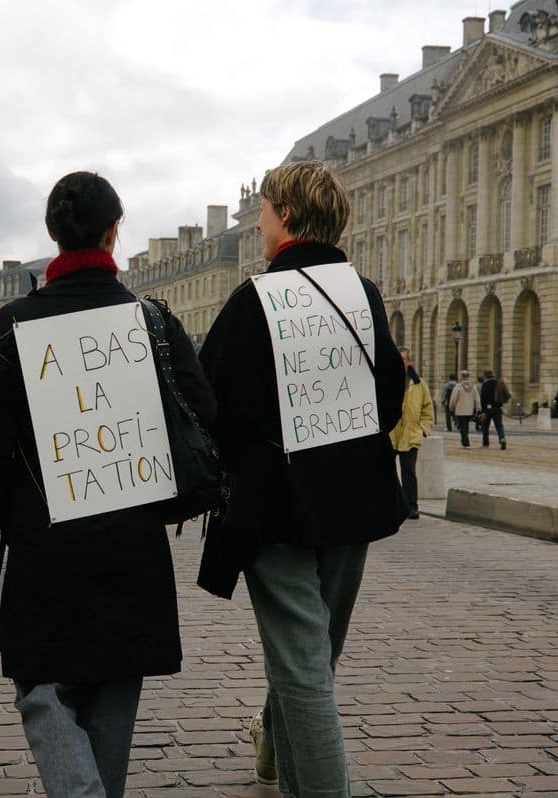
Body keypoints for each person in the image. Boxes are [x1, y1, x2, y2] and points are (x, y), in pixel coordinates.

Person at [0, 171, 216, 798]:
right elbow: (202, 417)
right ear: (113, 232)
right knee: (112, 694)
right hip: (132, 540)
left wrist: (10, 511)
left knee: (43, 691)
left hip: (44, 541)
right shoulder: (150, 320)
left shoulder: (15, 323)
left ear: (53, 236)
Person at [196, 160, 406, 797]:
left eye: (263, 210)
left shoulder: (254, 300)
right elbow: (390, 397)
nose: (257, 223)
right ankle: (272, 750)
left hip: (278, 506)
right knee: (314, 656)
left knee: (305, 666)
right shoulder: (363, 295)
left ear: (285, 217)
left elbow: (210, 406)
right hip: (355, 500)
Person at [392, 347, 433, 520]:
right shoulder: (387, 380)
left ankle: (411, 507)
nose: (401, 362)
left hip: (411, 434)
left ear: (409, 361)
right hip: (390, 435)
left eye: (403, 359)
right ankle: (391, 506)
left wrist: (422, 429)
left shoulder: (419, 384)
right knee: (388, 473)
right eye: (398, 359)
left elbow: (427, 409)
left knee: (409, 472)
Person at [448, 369, 481, 447]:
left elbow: (453, 399)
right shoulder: (473, 387)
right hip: (469, 410)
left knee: (462, 426)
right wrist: (478, 408)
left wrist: (452, 408)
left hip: (460, 410)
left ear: (461, 377)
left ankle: (465, 442)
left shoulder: (458, 386)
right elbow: (477, 398)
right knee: (466, 425)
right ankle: (466, 440)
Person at [479, 369, 511, 450]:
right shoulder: (498, 383)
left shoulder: (485, 385)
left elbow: (483, 399)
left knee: (485, 427)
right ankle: (502, 438)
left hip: (487, 409)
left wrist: (482, 411)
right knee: (499, 426)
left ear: (485, 376)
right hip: (497, 408)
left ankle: (485, 443)